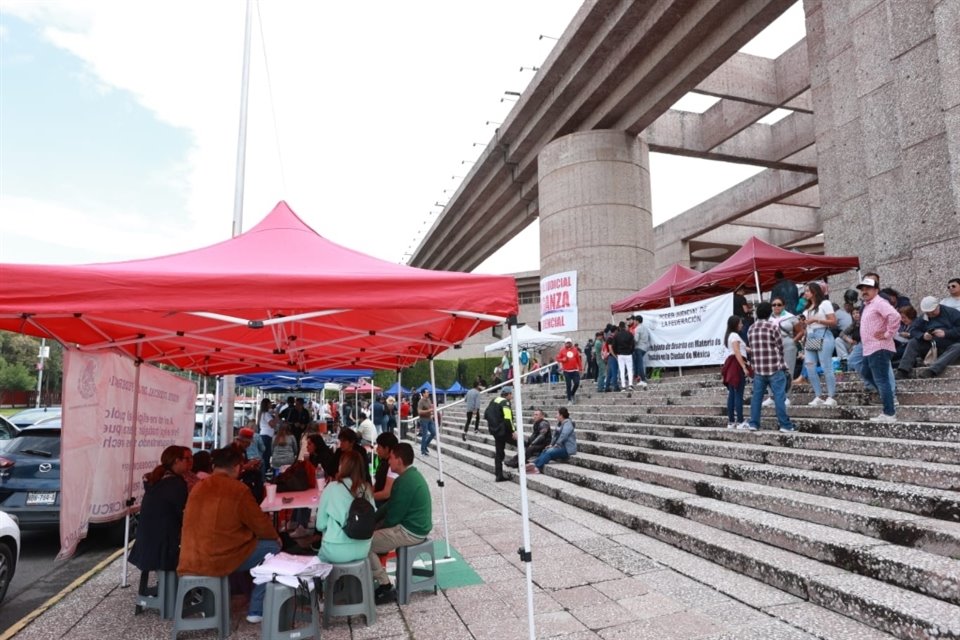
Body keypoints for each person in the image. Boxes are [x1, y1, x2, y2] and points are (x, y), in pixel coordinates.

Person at [178, 446, 280, 624]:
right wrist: (276, 537)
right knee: (272, 547)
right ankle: (257, 609)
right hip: (219, 558)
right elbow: (260, 524)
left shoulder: (198, 487)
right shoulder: (237, 489)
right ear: (237, 466)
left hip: (190, 557)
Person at [367, 442, 432, 605]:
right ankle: (381, 579)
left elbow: (393, 519)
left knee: (364, 544)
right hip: (415, 527)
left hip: (410, 531)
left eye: (391, 458)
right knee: (371, 537)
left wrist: (373, 529)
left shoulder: (405, 482)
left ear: (400, 461)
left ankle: (385, 585)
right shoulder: (408, 477)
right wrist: (373, 520)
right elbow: (389, 505)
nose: (388, 461)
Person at [129, 446, 191, 591]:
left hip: (147, 544)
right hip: (162, 547)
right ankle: (178, 590)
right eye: (187, 459)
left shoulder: (161, 479)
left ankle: (170, 588)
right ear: (177, 461)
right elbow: (183, 514)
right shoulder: (174, 484)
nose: (191, 462)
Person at [314, 449, 375, 564]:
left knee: (320, 562)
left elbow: (320, 525)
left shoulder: (331, 488)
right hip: (363, 549)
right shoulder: (367, 489)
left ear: (342, 466)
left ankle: (324, 582)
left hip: (335, 550)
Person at [855, 276, 901, 423]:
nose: (864, 291)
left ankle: (889, 413)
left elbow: (895, 316)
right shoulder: (868, 304)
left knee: (881, 380)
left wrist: (888, 333)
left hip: (879, 347)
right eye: (862, 289)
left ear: (876, 290)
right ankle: (887, 398)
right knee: (866, 373)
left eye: (868, 289)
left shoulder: (880, 302)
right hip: (870, 348)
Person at [746, 301, 796, 432]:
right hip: (774, 366)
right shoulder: (773, 327)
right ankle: (785, 425)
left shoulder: (751, 328)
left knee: (757, 397)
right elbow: (780, 346)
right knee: (779, 396)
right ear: (769, 313)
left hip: (759, 368)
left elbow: (751, 347)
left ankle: (754, 423)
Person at [895, 296, 960, 379]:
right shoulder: (924, 317)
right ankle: (903, 370)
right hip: (932, 346)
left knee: (958, 347)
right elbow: (913, 330)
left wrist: (946, 333)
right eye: (928, 313)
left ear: (938, 306)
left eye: (932, 312)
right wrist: (923, 336)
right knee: (913, 342)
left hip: (950, 346)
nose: (930, 315)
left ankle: (932, 370)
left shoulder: (952, 313)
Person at [802, 281, 839, 406]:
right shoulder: (808, 307)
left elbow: (833, 321)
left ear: (814, 291)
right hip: (811, 336)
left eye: (807, 291)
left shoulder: (825, 303)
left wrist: (816, 319)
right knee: (810, 366)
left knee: (826, 366)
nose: (805, 293)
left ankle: (831, 396)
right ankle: (818, 395)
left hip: (823, 334)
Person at [762, 297, 800, 407]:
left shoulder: (790, 317)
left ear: (783, 306)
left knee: (788, 370)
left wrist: (793, 341)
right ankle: (772, 396)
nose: (776, 307)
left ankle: (786, 396)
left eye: (779, 304)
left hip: (787, 344)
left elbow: (800, 331)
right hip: (771, 346)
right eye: (774, 305)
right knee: (771, 370)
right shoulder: (767, 318)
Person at [526, 407, 577, 474]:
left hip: (567, 448)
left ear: (561, 415)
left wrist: (556, 445)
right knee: (546, 450)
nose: (556, 416)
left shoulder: (568, 423)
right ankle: (533, 464)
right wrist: (551, 445)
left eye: (557, 414)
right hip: (560, 446)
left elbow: (563, 435)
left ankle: (537, 467)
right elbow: (555, 436)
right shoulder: (560, 423)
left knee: (549, 452)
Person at [721, 315, 750, 430]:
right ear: (735, 324)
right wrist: (744, 366)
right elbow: (738, 352)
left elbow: (743, 349)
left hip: (732, 364)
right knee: (738, 393)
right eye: (740, 323)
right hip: (737, 364)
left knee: (732, 394)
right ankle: (741, 421)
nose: (742, 325)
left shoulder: (730, 335)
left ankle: (731, 421)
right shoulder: (734, 335)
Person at [484, 386, 517, 482]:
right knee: (522, 444)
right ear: (509, 394)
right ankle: (522, 463)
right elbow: (508, 418)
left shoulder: (494, 400)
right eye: (511, 394)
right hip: (503, 431)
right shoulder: (505, 402)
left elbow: (486, 414)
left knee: (499, 452)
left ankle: (499, 475)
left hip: (495, 431)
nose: (512, 396)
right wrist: (513, 431)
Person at [372, 432, 399, 507]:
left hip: (386, 505)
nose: (377, 450)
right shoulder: (383, 461)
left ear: (386, 449)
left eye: (379, 447)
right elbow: (377, 483)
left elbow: (386, 493)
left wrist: (369, 497)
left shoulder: (392, 466)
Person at [556, 338, 584, 403]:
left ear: (571, 343)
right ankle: (569, 399)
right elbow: (557, 358)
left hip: (575, 370)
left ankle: (572, 393)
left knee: (577, 383)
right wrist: (563, 359)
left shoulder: (575, 350)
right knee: (568, 385)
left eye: (569, 343)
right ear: (565, 344)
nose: (568, 344)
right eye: (567, 343)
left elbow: (578, 360)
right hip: (566, 371)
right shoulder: (562, 350)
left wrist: (580, 368)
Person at [612, 321, 636, 391]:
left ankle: (623, 387)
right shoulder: (630, 334)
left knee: (622, 370)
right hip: (628, 354)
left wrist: (617, 352)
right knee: (630, 370)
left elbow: (614, 346)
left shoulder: (616, 335)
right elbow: (633, 345)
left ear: (619, 327)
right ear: (625, 326)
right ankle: (630, 385)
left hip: (620, 355)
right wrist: (631, 351)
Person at [257, 398, 277, 471]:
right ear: (267, 404)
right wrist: (276, 416)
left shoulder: (262, 413)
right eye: (269, 403)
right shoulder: (266, 414)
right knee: (266, 454)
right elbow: (272, 424)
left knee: (266, 453)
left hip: (264, 435)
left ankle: (265, 469)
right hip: (266, 436)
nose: (271, 404)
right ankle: (265, 469)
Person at [631, 315, 651, 387]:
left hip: (638, 348)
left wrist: (631, 340)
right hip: (645, 348)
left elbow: (636, 340)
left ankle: (643, 379)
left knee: (640, 364)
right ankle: (639, 378)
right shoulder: (645, 328)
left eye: (635, 321)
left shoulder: (637, 328)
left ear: (637, 321)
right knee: (639, 363)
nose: (634, 322)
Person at [417, 389, 436, 456]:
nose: (428, 393)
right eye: (427, 392)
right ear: (423, 394)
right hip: (423, 419)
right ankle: (423, 450)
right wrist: (428, 411)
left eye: (428, 392)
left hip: (429, 419)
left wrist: (431, 413)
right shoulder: (420, 401)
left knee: (434, 433)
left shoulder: (428, 400)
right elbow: (419, 412)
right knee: (425, 435)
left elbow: (430, 408)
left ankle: (425, 446)